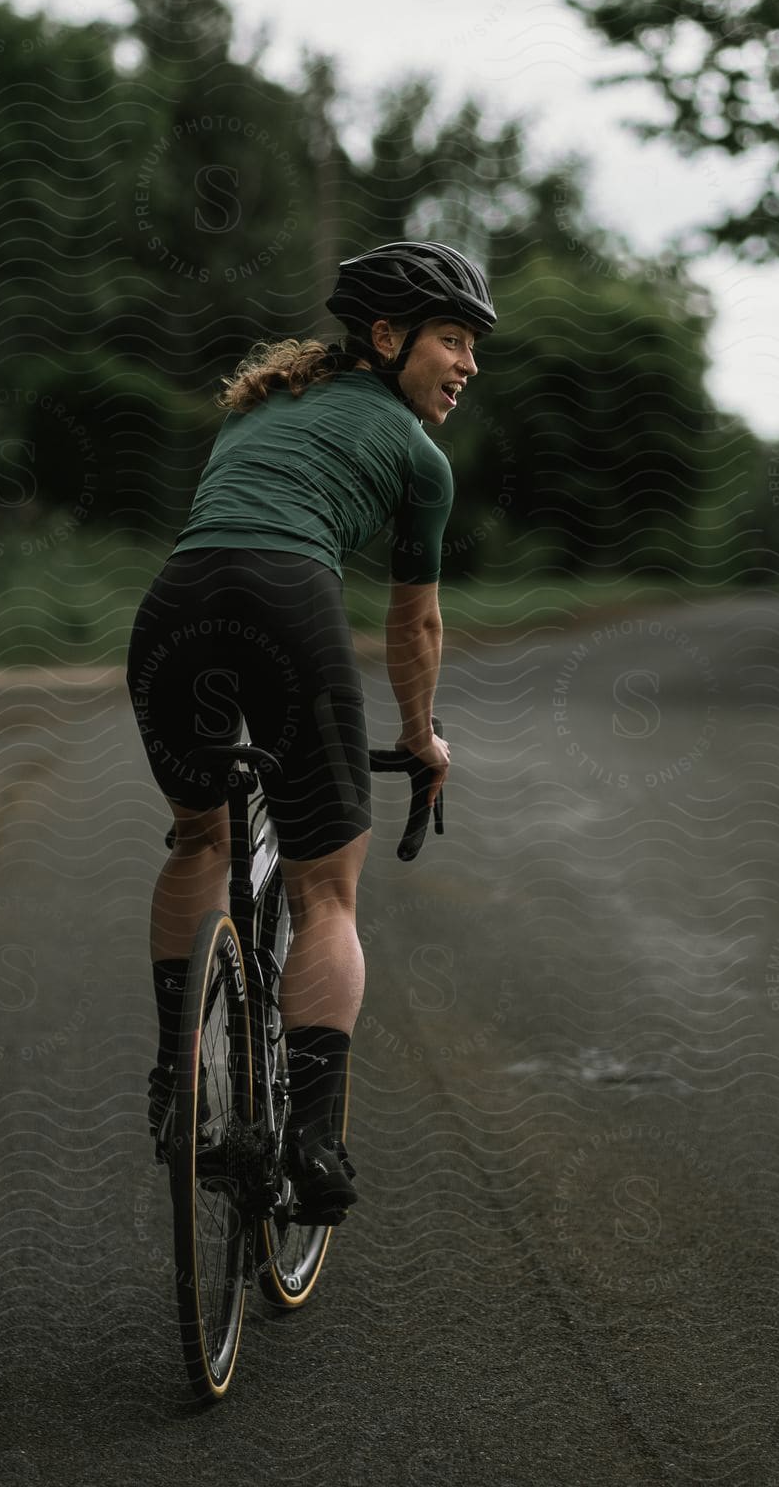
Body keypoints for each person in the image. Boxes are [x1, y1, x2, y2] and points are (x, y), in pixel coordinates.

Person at [126, 239, 495, 1223]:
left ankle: (177, 1083)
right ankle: (314, 1142)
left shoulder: (263, 403)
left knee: (199, 834)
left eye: (472, 346)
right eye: (452, 340)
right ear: (387, 337)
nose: (467, 364)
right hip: (285, 601)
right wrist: (421, 737)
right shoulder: (421, 461)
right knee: (326, 888)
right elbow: (413, 621)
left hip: (175, 607)